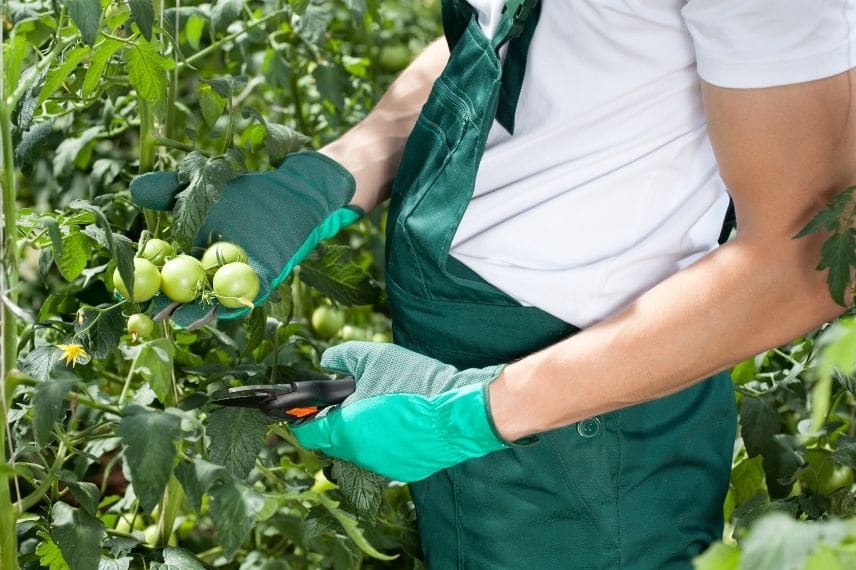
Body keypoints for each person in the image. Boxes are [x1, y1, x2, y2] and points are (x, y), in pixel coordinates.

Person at [131, 0, 856, 567]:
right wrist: (331, 175)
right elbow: (497, 42)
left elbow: (810, 260)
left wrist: (481, 411)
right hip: (466, 367)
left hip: (591, 422)